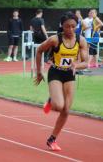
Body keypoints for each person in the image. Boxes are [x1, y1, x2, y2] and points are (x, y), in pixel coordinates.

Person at [35, 12, 88, 151]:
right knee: (58, 105)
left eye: (73, 26)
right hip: (56, 72)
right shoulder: (55, 39)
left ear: (76, 26)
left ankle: (52, 139)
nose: (70, 30)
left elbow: (86, 62)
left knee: (66, 110)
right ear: (62, 26)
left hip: (69, 74)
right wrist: (39, 71)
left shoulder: (80, 40)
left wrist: (76, 65)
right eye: (67, 27)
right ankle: (51, 101)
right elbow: (39, 50)